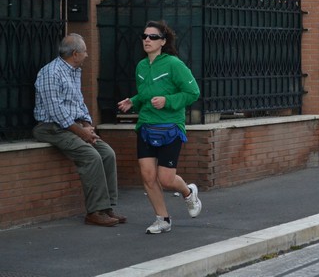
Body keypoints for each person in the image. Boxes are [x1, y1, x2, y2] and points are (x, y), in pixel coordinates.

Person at [33, 33, 126, 227]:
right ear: (75, 53)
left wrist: (86, 124)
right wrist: (80, 132)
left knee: (107, 153)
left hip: (73, 126)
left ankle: (107, 207)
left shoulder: (74, 71)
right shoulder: (51, 73)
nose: (87, 55)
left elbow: (79, 103)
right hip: (51, 127)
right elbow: (55, 110)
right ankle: (94, 212)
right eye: (84, 51)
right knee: (90, 156)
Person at [117, 20, 201, 234]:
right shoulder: (141, 66)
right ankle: (162, 219)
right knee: (147, 176)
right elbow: (147, 92)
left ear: (163, 41)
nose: (147, 40)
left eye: (153, 37)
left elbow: (193, 93)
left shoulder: (174, 64)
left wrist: (167, 101)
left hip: (170, 127)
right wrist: (134, 100)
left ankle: (188, 192)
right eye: (144, 36)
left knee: (166, 179)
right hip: (146, 125)